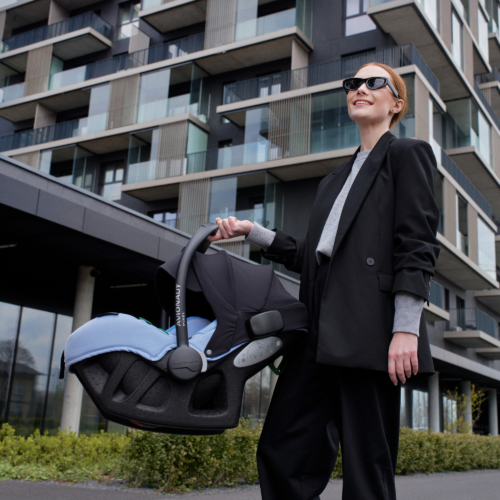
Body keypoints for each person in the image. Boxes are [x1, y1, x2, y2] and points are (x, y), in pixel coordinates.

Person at [207, 62, 441, 500]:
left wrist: (405, 328)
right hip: (319, 331)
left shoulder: (407, 155)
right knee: (282, 450)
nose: (360, 88)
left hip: (371, 329)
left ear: (396, 104)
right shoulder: (333, 180)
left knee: (367, 465)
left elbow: (417, 244)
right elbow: (314, 258)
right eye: (353, 83)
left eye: (374, 82)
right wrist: (252, 232)